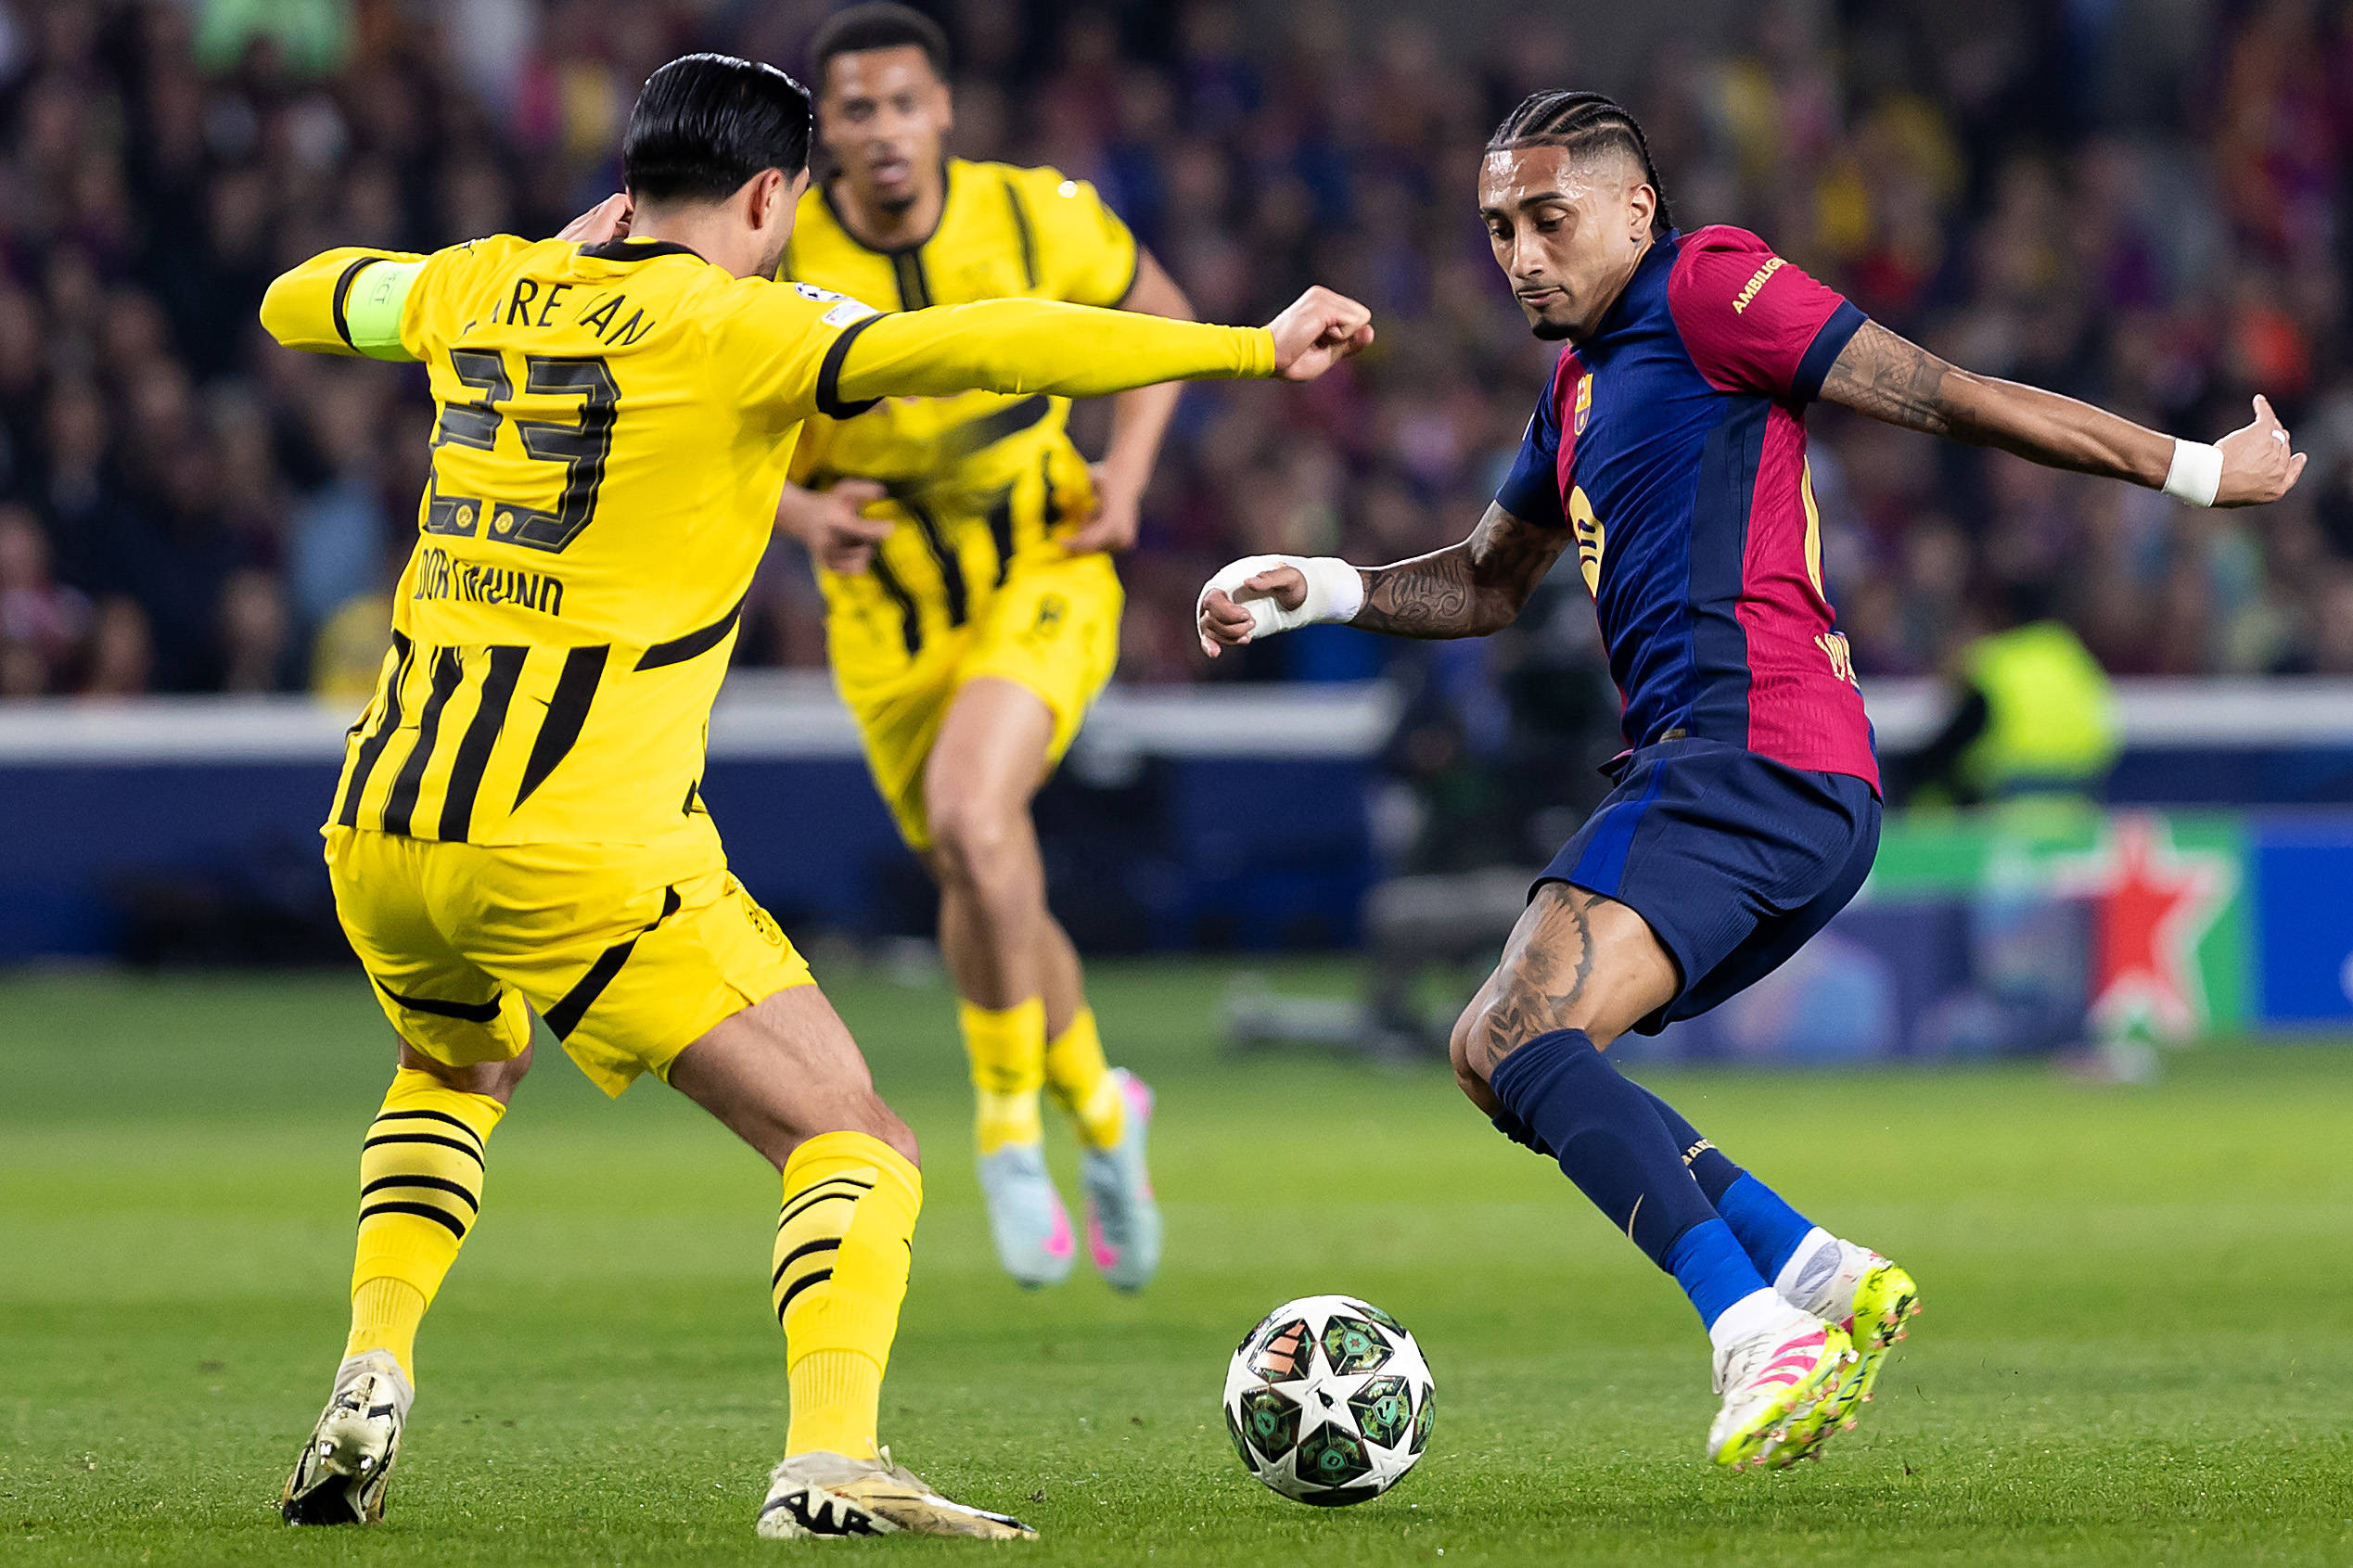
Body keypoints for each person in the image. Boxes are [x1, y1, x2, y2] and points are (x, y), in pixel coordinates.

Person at [260, 52, 1372, 1538]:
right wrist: (1242, 349)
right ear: (775, 196)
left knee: (457, 1068)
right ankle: (829, 1458)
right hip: (575, 843)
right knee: (855, 1147)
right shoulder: (743, 323)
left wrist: (533, 260)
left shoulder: (483, 286)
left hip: (382, 822)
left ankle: (371, 1365)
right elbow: (985, 343)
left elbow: (300, 295)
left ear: (631, 181)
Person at [1196, 89, 2302, 1471]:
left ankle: (1753, 1329)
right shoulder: (1578, 383)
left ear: (1634, 209)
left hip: (1750, 749)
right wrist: (1323, 588)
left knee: (1519, 1035)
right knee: (1498, 1053)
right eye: (1496, 230)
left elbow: (1939, 393)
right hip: (1744, 773)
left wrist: (2197, 469)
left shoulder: (1709, 282)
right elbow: (1484, 583)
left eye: (1548, 219)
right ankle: (1817, 1271)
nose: (1521, 254)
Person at [771, 4, 1188, 1293]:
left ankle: (1008, 1128)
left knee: (971, 809)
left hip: (1039, 568)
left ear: (942, 111)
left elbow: (1157, 322)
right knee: (982, 861)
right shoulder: (777, 247)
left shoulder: (1031, 214)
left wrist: (1125, 474)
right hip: (886, 612)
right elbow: (705, 407)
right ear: (824, 129)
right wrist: (797, 509)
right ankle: (1105, 1110)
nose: (884, 131)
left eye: (904, 104)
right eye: (856, 109)